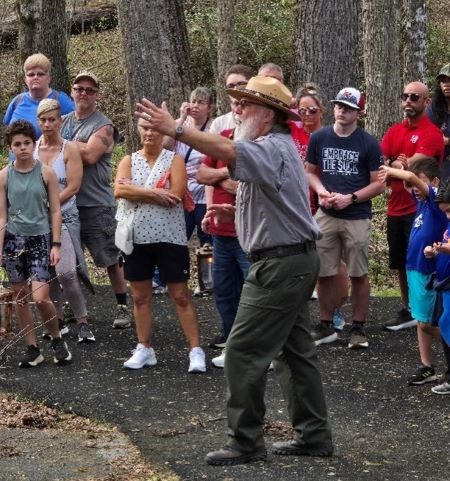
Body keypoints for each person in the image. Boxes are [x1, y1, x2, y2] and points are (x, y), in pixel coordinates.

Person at [136, 75, 332, 466]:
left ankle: (245, 442)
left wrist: (176, 128)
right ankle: (314, 436)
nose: (237, 109)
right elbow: (272, 199)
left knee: (241, 352)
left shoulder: (270, 146)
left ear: (266, 115)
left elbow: (225, 149)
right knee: (295, 354)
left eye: (245, 104)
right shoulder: (273, 147)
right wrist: (233, 211)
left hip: (281, 265)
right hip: (290, 259)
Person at [114, 117, 206, 373]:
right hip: (137, 237)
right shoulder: (129, 160)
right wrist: (154, 193)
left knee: (180, 295)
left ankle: (195, 349)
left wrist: (137, 190)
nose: (149, 133)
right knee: (140, 296)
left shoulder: (174, 159)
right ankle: (144, 347)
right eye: (144, 128)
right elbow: (120, 191)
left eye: (155, 128)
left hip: (170, 237)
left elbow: (175, 194)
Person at [306, 87, 384, 349]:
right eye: (339, 105)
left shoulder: (368, 143)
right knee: (324, 271)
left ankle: (358, 326)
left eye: (348, 108)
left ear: (359, 113)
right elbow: (310, 172)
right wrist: (321, 192)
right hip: (326, 213)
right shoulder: (319, 137)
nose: (342, 111)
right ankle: (326, 324)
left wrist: (350, 197)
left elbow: (378, 184)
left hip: (356, 215)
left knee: (358, 272)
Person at [60, 71, 131, 329]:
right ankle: (75, 309)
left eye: (90, 90)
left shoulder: (104, 125)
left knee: (109, 257)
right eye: (79, 88)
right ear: (72, 91)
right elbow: (47, 149)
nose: (84, 94)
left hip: (96, 203)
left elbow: (90, 155)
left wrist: (64, 144)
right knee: (72, 260)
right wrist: (70, 143)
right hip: (67, 202)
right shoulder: (63, 121)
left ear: (97, 95)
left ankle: (123, 305)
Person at [0, 120, 71, 367]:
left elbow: (55, 211)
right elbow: (2, 216)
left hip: (39, 239)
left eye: (26, 143)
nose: (22, 148)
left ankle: (56, 337)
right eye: (17, 144)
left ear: (33, 144)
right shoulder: (5, 175)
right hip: (13, 241)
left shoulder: (46, 172)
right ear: (10, 147)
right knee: (20, 296)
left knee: (41, 297)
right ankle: (32, 348)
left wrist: (56, 244)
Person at [381, 81, 445, 331]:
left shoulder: (431, 133)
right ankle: (408, 308)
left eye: (415, 97)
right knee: (400, 261)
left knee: (425, 260)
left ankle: (429, 309)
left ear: (426, 102)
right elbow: (381, 165)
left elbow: (413, 170)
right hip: (394, 206)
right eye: (405, 95)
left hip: (421, 209)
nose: (408, 100)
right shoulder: (394, 131)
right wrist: (394, 165)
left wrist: (396, 165)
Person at [379, 159, 447, 385]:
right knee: (421, 320)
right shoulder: (420, 204)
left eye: (421, 184)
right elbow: (408, 179)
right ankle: (426, 365)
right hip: (414, 268)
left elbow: (410, 178)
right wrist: (398, 166)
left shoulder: (436, 204)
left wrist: (385, 169)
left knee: (429, 323)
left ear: (434, 182)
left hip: (429, 270)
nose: (415, 190)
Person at [196, 91, 250, 367]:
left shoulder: (256, 142)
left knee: (253, 294)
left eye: (244, 104)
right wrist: (226, 177)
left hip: (249, 234)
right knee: (223, 289)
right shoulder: (223, 136)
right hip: (220, 233)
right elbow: (202, 174)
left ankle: (256, 348)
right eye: (235, 104)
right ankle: (232, 343)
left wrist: (224, 180)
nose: (239, 109)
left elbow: (253, 184)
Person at [35, 99, 95, 343]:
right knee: (50, 273)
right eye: (44, 120)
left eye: (52, 119)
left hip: (66, 214)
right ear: (38, 122)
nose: (48, 124)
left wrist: (52, 203)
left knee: (67, 272)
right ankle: (57, 320)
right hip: (38, 219)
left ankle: (82, 321)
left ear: (60, 121)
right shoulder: (33, 147)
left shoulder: (68, 149)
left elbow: (74, 186)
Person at [293, 83, 349, 328]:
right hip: (295, 204)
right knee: (300, 259)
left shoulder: (329, 135)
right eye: (301, 110)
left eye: (312, 111)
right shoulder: (290, 133)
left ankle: (335, 309)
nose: (306, 115)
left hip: (323, 202)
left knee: (330, 260)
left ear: (321, 112)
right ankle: (299, 315)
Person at [173, 87, 214, 248]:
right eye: (193, 101)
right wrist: (182, 119)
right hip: (183, 193)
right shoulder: (180, 124)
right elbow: (165, 147)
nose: (195, 106)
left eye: (201, 102)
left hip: (205, 192)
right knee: (179, 239)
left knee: (208, 241)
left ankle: (209, 272)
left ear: (209, 107)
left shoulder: (214, 128)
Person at [3, 53, 74, 139]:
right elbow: (7, 126)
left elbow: (75, 126)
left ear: (49, 78)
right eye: (31, 75)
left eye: (40, 74)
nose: (35, 77)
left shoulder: (61, 101)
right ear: (25, 79)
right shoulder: (17, 101)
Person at [424, 179, 450, 395]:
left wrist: (445, 249)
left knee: (446, 322)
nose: (448, 216)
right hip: (444, 283)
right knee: (443, 325)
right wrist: (436, 251)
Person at [209, 64, 254, 135]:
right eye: (231, 86)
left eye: (241, 84)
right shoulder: (219, 123)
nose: (235, 89)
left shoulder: (263, 119)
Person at [427, 63, 450, 181]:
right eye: (443, 81)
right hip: (440, 165)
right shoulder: (434, 108)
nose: (446, 84)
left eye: (449, 80)